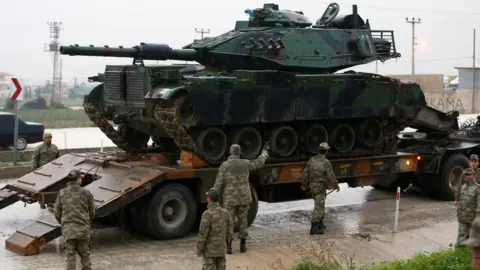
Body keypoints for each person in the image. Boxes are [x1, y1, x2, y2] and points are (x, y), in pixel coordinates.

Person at [213, 142, 270, 254]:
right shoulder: (245, 163)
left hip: (230, 198)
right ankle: (242, 245)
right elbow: (259, 163)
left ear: (231, 152)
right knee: (243, 220)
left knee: (229, 221)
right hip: (244, 197)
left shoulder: (225, 165)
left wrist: (213, 195)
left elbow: (219, 183)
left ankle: (229, 246)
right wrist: (265, 152)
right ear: (239, 153)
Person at [54, 169, 96, 270]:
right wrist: (86, 222)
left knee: (70, 258)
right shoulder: (86, 193)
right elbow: (92, 212)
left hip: (68, 230)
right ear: (78, 179)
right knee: (85, 256)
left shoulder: (62, 193)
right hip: (83, 229)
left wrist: (64, 223)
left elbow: (57, 212)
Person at [300, 142, 340, 235]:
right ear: (326, 151)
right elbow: (331, 175)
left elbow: (305, 173)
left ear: (319, 150)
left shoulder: (311, 160)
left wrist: (304, 184)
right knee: (318, 206)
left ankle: (320, 224)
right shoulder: (326, 162)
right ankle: (314, 227)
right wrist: (336, 184)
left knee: (320, 204)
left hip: (312, 186)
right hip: (320, 186)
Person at [196, 188, 233, 270]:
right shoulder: (226, 212)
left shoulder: (207, 214)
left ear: (209, 199)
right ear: (219, 199)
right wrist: (227, 245)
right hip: (221, 250)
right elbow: (230, 232)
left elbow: (203, 234)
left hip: (209, 252)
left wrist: (199, 249)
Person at [31, 132, 60, 209]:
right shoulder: (39, 148)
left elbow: (58, 159)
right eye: (47, 138)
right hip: (42, 171)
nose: (49, 139)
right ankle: (42, 202)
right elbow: (34, 159)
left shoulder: (55, 147)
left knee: (52, 187)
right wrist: (34, 170)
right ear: (44, 139)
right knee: (42, 187)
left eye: (50, 138)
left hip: (52, 171)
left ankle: (50, 202)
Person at [454, 167, 480, 247]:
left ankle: (468, 254)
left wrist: (478, 217)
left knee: (472, 239)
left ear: (473, 175)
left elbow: (479, 203)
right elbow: (461, 201)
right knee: (461, 238)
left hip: (472, 218)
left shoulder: (477, 188)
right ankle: (459, 254)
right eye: (466, 175)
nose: (467, 176)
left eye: (469, 174)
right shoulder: (463, 186)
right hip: (462, 217)